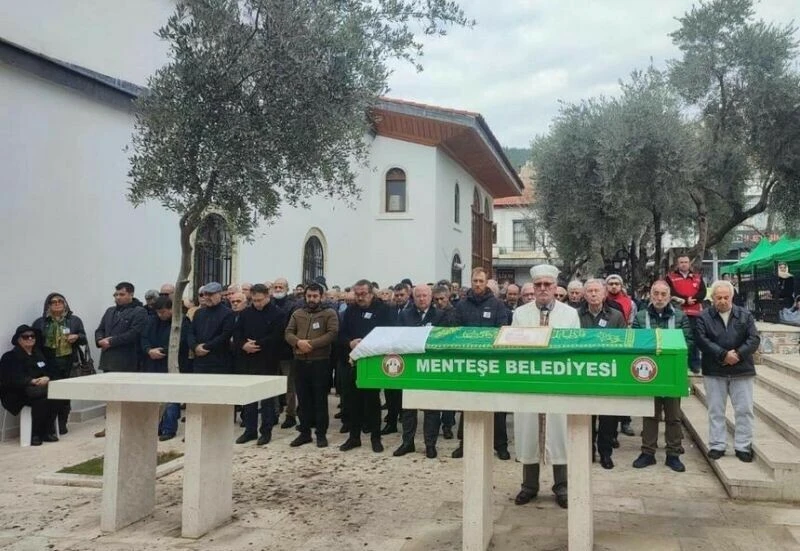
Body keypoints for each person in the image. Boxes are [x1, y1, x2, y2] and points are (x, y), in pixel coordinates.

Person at [512, 264, 580, 509]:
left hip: (558, 381)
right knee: (529, 431)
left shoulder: (569, 315)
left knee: (559, 433)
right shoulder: (521, 314)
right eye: (538, 284)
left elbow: (575, 348)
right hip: (529, 381)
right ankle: (529, 486)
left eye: (547, 284)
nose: (542, 289)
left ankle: (562, 487)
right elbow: (513, 344)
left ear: (555, 287)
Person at [695, 280, 760, 463]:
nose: (722, 301)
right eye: (719, 297)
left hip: (741, 369)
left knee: (744, 409)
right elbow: (702, 340)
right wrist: (723, 355)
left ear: (732, 297)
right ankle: (717, 445)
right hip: (714, 370)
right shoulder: (704, 317)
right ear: (712, 298)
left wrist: (737, 354)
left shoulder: (745, 315)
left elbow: (754, 339)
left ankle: (743, 446)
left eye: (726, 297)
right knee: (716, 410)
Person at [631, 280, 692, 472]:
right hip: (648, 372)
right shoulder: (640, 317)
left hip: (672, 373)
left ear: (669, 296)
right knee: (650, 414)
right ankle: (647, 452)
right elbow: (635, 342)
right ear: (650, 295)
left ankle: (673, 454)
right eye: (656, 294)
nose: (659, 298)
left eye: (663, 294)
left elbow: (688, 341)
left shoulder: (680, 316)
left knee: (673, 416)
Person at [452, 267, 510, 460]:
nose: (477, 284)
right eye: (475, 281)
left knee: (497, 405)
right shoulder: (461, 305)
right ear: (471, 281)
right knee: (468, 403)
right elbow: (455, 331)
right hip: (469, 362)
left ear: (486, 283)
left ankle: (500, 445)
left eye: (481, 281)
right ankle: (465, 443)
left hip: (492, 362)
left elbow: (502, 330)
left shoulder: (497, 305)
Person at [339, 279, 394, 453]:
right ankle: (354, 437)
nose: (360, 297)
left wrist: (371, 344)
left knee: (373, 402)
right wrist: (349, 343)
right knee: (352, 401)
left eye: (363, 294)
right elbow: (341, 334)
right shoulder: (350, 310)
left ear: (371, 293)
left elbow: (389, 334)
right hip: (354, 361)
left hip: (373, 361)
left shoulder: (384, 310)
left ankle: (375, 438)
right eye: (357, 294)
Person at [576, 279, 626, 469]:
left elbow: (624, 343)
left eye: (597, 290)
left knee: (608, 417)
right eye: (589, 291)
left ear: (604, 294)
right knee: (585, 416)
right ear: (584, 295)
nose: (593, 294)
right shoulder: (575, 315)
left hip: (608, 373)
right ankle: (587, 450)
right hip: (583, 372)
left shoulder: (616, 316)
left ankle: (605, 453)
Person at [393, 285, 445, 459]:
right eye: (418, 296)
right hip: (411, 366)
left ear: (431, 297)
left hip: (431, 366)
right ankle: (408, 442)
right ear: (413, 298)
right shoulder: (405, 315)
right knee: (409, 407)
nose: (422, 299)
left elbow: (443, 338)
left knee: (431, 408)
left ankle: (430, 444)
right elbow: (399, 337)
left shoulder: (440, 315)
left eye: (425, 296)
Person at [285, 283, 339, 448]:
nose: (312, 299)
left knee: (320, 400)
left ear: (321, 297)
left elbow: (332, 333)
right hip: (300, 362)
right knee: (303, 399)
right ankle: (304, 433)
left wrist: (311, 344)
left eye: (315, 296)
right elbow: (288, 332)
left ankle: (321, 434)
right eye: (309, 296)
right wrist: (298, 343)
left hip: (320, 362)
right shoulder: (297, 313)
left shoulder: (329, 313)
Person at [233, 283, 286, 445]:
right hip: (248, 359)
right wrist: (243, 345)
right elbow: (237, 332)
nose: (257, 303)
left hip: (267, 360)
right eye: (254, 300)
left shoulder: (278, 314)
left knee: (267, 399)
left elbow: (277, 336)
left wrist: (256, 344)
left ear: (267, 296)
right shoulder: (246, 313)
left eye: (260, 300)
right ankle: (250, 430)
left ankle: (266, 431)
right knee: (249, 397)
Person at [31, 292, 86, 434]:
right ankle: (49, 424)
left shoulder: (74, 320)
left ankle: (62, 422)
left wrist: (77, 336)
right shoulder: (40, 322)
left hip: (68, 361)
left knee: (65, 393)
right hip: (48, 362)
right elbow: (34, 344)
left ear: (65, 304)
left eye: (60, 301)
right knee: (50, 393)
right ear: (48, 305)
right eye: (53, 302)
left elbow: (84, 338)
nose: (57, 304)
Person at [140, 296, 190, 441]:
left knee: (171, 397)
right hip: (153, 362)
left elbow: (182, 341)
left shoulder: (182, 321)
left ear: (171, 309)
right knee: (155, 397)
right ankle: (156, 425)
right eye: (158, 312)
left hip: (172, 363)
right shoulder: (151, 320)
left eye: (163, 312)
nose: (160, 315)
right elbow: (144, 337)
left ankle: (168, 428)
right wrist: (149, 350)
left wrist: (162, 351)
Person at [0, 325, 59, 445]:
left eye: (32, 336)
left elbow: (52, 371)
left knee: (56, 396)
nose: (30, 338)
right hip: (17, 392)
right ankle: (35, 434)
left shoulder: (40, 354)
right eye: (25, 337)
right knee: (42, 398)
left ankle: (48, 430)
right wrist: (31, 381)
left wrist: (47, 378)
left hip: (40, 389)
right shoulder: (9, 357)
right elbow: (10, 378)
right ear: (18, 339)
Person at [95, 282, 149, 373]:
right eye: (116, 295)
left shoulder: (139, 311)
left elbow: (133, 333)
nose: (118, 297)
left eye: (122, 294)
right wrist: (99, 340)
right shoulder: (110, 311)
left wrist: (110, 342)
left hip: (126, 361)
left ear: (131, 294)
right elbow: (100, 329)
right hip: (107, 360)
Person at [666, 255, 706, 374]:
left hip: (695, 313)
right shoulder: (670, 277)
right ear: (677, 264)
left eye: (686, 262)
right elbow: (670, 292)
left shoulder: (697, 277)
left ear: (690, 263)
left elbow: (702, 292)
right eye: (681, 262)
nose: (684, 264)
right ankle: (679, 364)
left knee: (694, 338)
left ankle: (695, 364)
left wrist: (692, 300)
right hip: (677, 313)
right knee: (678, 338)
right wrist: (685, 300)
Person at [188, 282, 235, 374]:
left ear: (220, 294)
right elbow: (191, 332)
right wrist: (195, 346)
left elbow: (225, 335)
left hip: (219, 362)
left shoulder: (228, 313)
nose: (207, 297)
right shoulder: (199, 313)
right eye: (205, 294)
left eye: (210, 294)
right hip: (199, 361)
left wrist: (205, 347)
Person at [272, 277, 299, 429]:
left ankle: (290, 415)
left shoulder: (292, 306)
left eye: (280, 287)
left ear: (287, 289)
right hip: (271, 352)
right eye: (275, 287)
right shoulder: (269, 304)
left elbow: (291, 327)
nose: (277, 289)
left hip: (287, 351)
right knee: (273, 385)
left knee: (289, 386)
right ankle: (274, 413)